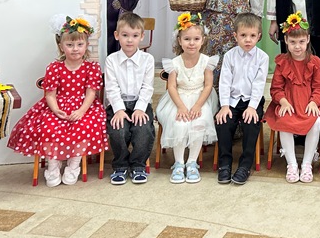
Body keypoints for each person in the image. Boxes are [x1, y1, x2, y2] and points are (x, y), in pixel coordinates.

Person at [8, 16, 107, 187]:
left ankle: (74, 165)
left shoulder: (92, 68)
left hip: (85, 106)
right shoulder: (54, 68)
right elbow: (50, 94)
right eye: (70, 45)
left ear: (86, 45)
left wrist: (81, 111)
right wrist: (55, 110)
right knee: (49, 127)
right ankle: (53, 165)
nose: (75, 49)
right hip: (57, 106)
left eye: (80, 44)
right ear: (61, 46)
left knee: (83, 126)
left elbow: (92, 93)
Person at [156, 13, 217, 185]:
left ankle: (192, 162)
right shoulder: (174, 63)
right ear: (179, 41)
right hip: (178, 98)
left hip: (201, 98)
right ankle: (178, 163)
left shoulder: (207, 61)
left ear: (202, 40)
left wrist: (197, 106)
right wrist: (181, 107)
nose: (192, 43)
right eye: (187, 39)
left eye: (196, 39)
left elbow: (208, 86)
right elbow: (172, 87)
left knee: (199, 122)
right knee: (180, 123)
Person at [266, 12, 320, 184]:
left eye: (301, 41)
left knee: (315, 120)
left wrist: (314, 102)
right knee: (284, 118)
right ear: (286, 40)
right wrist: (283, 102)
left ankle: (307, 163)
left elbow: (319, 88)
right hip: (289, 102)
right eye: (293, 42)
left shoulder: (314, 62)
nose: (297, 46)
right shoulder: (282, 62)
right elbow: (276, 88)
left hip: (308, 103)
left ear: (308, 40)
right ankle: (292, 164)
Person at [215, 13, 270, 185]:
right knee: (224, 122)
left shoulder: (263, 58)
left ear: (259, 36)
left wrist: (252, 107)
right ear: (235, 36)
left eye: (252, 36)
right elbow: (224, 82)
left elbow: (259, 85)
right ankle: (224, 164)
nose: (248, 40)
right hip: (231, 100)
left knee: (250, 123)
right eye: (243, 35)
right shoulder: (229, 56)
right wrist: (224, 106)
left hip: (252, 101)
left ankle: (245, 165)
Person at [104, 12, 156, 186]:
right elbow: (111, 87)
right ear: (117, 35)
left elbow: (147, 87)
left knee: (143, 130)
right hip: (118, 104)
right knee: (118, 130)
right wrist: (119, 110)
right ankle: (120, 165)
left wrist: (140, 108)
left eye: (134, 36)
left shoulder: (148, 59)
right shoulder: (111, 60)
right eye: (125, 35)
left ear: (142, 36)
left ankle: (138, 165)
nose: (129, 40)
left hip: (140, 103)